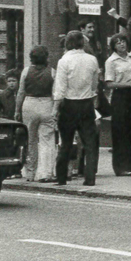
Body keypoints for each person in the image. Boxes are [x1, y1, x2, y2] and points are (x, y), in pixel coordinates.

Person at [52, 30, 100, 186]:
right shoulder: (92, 60)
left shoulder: (63, 61)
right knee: (89, 143)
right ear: (82, 43)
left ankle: (61, 177)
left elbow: (60, 89)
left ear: (67, 43)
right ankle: (90, 178)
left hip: (69, 104)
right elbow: (94, 84)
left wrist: (55, 109)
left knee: (65, 142)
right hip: (86, 103)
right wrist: (92, 97)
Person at [103, 33, 131, 177]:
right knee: (121, 131)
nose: (121, 45)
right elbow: (109, 83)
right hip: (119, 96)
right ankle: (120, 167)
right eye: (117, 43)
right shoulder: (111, 61)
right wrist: (127, 84)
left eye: (123, 42)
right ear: (113, 46)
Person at [16, 46, 56, 183]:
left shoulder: (26, 71)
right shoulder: (52, 72)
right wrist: (57, 110)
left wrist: (17, 110)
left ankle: (30, 172)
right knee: (47, 140)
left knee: (30, 140)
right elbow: (55, 93)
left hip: (29, 104)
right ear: (46, 58)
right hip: (47, 104)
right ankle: (45, 172)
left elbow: (21, 92)